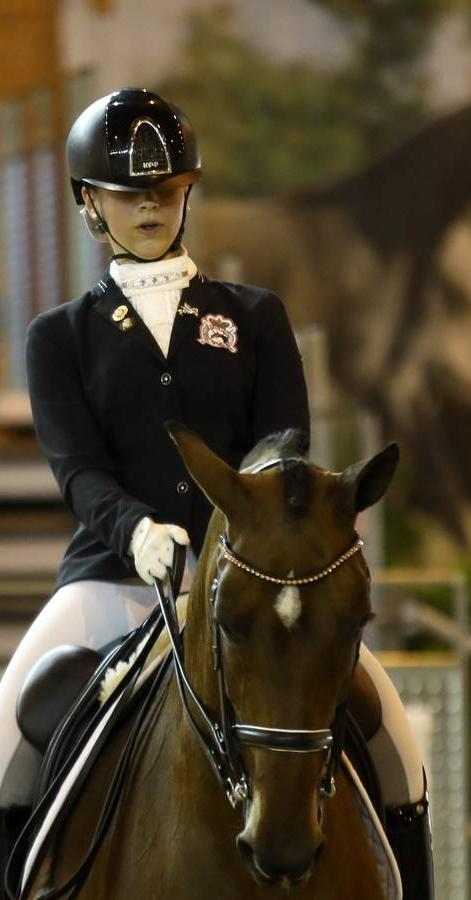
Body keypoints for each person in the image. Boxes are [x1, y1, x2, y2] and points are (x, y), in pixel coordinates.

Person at [0, 88, 432, 896]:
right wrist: (134, 532)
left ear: (188, 190)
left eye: (165, 189)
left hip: (252, 591)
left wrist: (246, 537)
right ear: (90, 203)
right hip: (111, 581)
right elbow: (76, 469)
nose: (150, 207)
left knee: (396, 743)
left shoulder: (253, 317)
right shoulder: (58, 336)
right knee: (2, 738)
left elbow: (284, 452)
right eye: (130, 193)